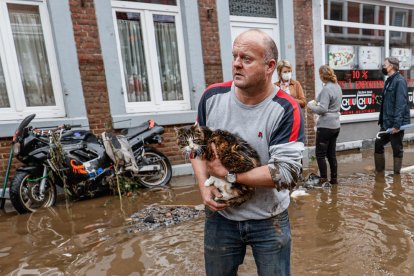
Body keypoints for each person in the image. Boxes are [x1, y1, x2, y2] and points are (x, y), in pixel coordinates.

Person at [191, 29, 305, 275]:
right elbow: (196, 147)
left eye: (247, 58)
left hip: (269, 217)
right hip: (220, 217)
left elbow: (286, 173)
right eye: (234, 56)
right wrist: (203, 187)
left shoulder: (286, 109)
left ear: (270, 66)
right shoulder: (212, 97)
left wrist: (229, 174)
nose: (236, 64)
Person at [307, 65, 342, 185]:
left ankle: (323, 180)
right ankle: (334, 179)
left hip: (326, 126)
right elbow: (325, 102)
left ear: (322, 75)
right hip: (336, 125)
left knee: (320, 155)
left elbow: (322, 109)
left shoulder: (327, 89)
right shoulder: (337, 86)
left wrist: (311, 106)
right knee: (331, 154)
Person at [375, 57, 410, 174]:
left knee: (397, 148)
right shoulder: (388, 80)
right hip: (386, 122)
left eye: (385, 65)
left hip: (395, 123)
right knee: (378, 144)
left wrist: (397, 124)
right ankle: (379, 173)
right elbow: (389, 101)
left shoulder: (400, 81)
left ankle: (396, 176)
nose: (383, 67)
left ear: (392, 66)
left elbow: (400, 104)